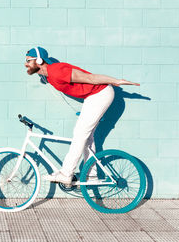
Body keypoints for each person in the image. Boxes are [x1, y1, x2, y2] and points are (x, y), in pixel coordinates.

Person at [24, 47, 140, 185]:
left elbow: (89, 78)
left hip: (100, 94)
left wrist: (116, 81)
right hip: (93, 96)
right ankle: (91, 175)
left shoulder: (57, 71)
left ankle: (66, 173)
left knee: (80, 133)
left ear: (38, 60)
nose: (25, 64)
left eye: (28, 61)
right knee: (86, 137)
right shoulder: (47, 75)